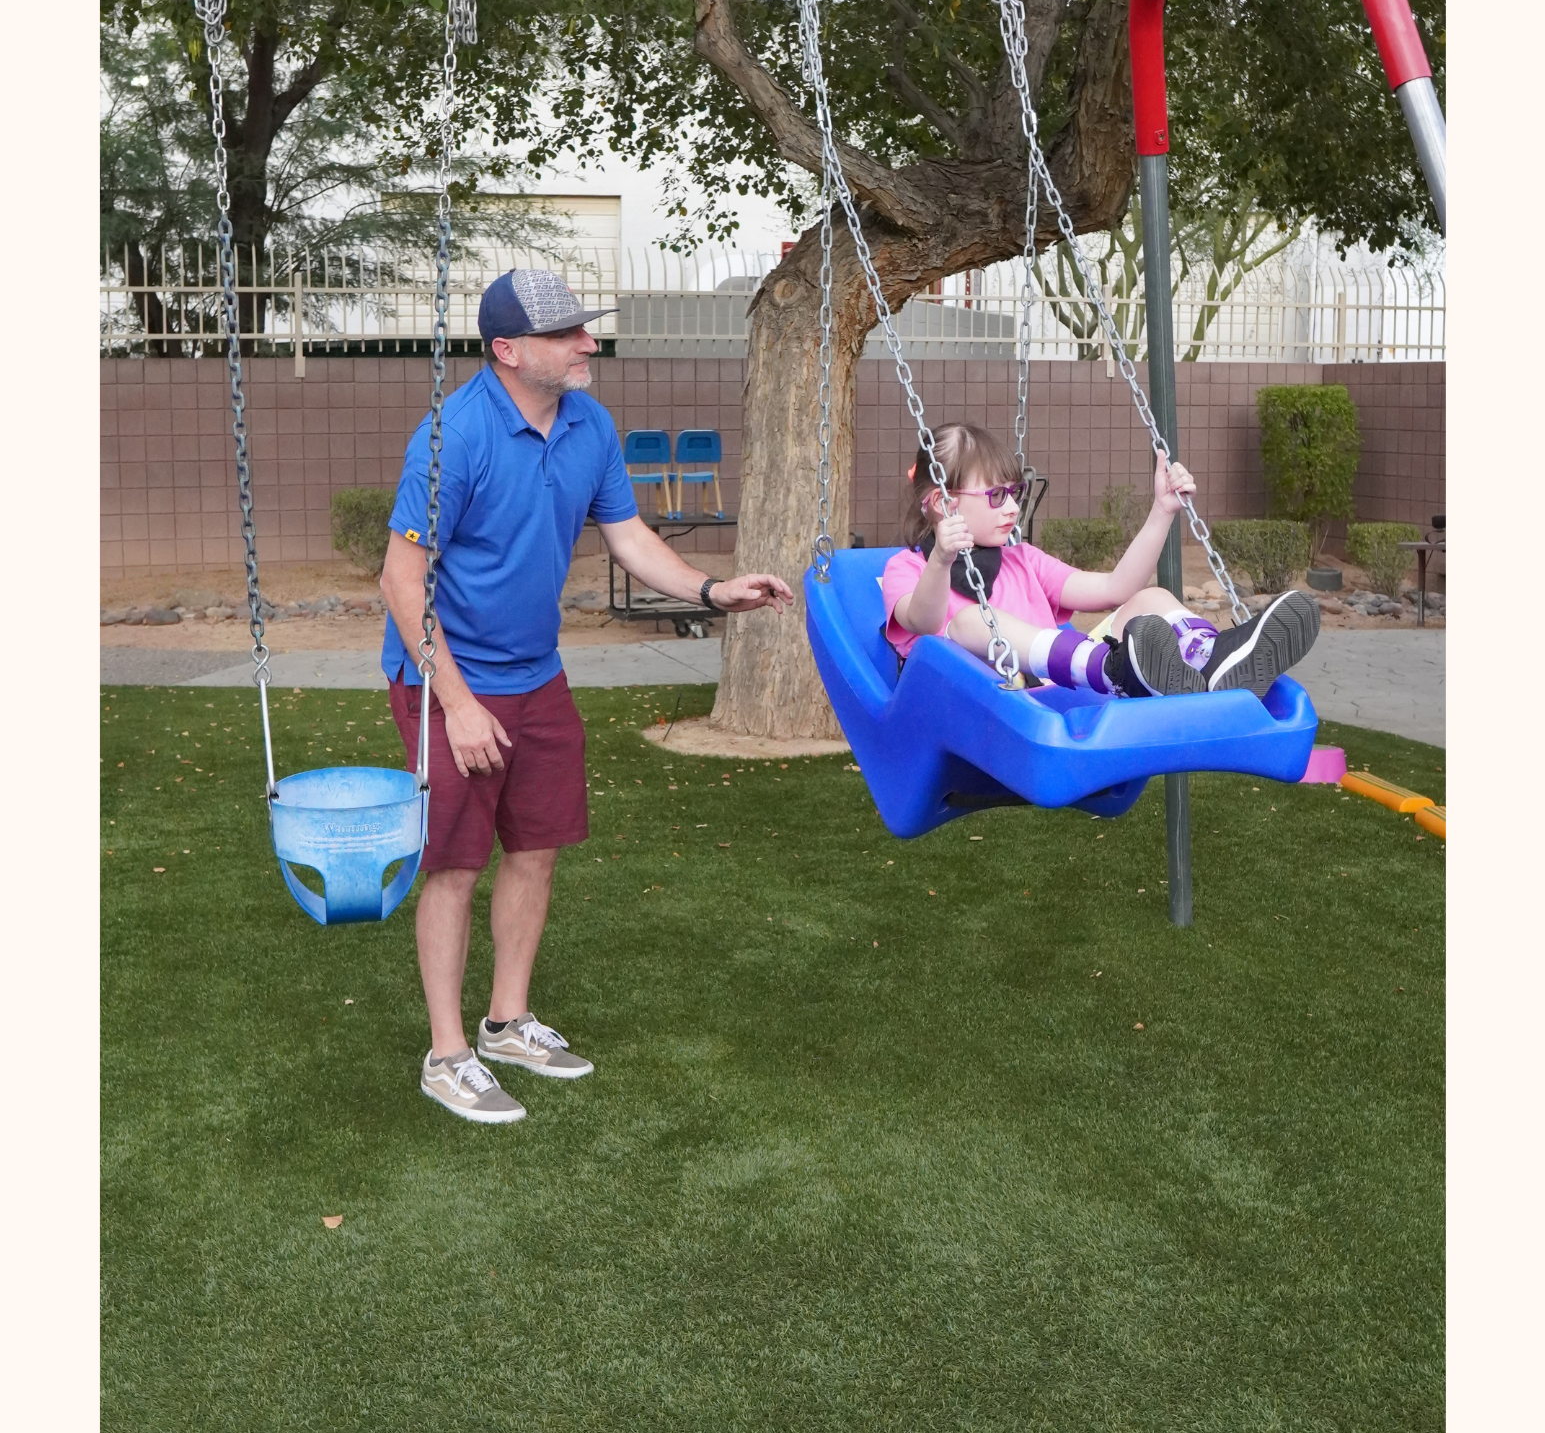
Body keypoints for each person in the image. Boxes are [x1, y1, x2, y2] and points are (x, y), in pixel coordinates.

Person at [379, 267, 793, 1124]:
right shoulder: (453, 437)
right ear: (507, 351)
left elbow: (631, 536)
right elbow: (400, 578)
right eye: (567, 333)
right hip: (448, 677)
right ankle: (447, 1054)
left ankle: (506, 1021)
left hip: (536, 673)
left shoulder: (589, 423)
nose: (587, 343)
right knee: (455, 864)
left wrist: (712, 593)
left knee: (535, 848)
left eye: (583, 328)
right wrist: (454, 703)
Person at [882, 422, 1320, 699]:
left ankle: (1212, 662)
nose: (1013, 508)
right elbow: (922, 620)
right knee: (970, 622)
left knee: (1151, 597)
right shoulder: (910, 568)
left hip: (1070, 687)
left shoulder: (1023, 560)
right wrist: (941, 558)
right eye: (996, 496)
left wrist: (1161, 512)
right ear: (942, 502)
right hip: (996, 708)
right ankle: (1117, 668)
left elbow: (1114, 590)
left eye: (1016, 493)